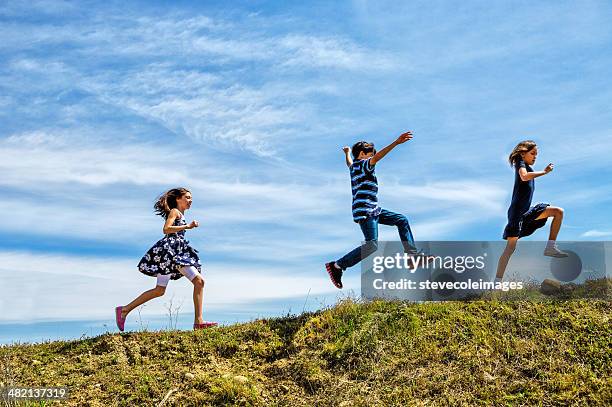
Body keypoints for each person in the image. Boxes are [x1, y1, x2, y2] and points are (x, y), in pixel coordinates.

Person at [325, 131, 427, 289]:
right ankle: (337, 266)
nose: (373, 157)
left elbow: (349, 163)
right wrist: (396, 143)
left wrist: (346, 154)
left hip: (373, 210)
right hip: (366, 211)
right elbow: (379, 156)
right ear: (362, 154)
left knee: (402, 220)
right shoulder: (366, 165)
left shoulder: (353, 168)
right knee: (372, 245)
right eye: (370, 154)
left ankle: (412, 256)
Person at [115, 187, 217, 331]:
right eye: (187, 197)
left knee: (159, 290)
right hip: (172, 253)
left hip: (172, 254)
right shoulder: (175, 212)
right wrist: (187, 226)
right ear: (177, 199)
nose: (190, 200)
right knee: (199, 281)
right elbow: (166, 229)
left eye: (191, 198)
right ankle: (198, 322)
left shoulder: (181, 214)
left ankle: (124, 310)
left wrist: (185, 226)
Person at [495, 140, 568, 282]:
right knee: (510, 249)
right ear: (523, 153)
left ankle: (550, 247)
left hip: (526, 212)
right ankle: (497, 283)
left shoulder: (528, 167)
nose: (535, 157)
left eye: (537, 154)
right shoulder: (520, 163)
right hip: (516, 214)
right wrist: (545, 172)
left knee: (558, 212)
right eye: (532, 153)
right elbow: (524, 176)